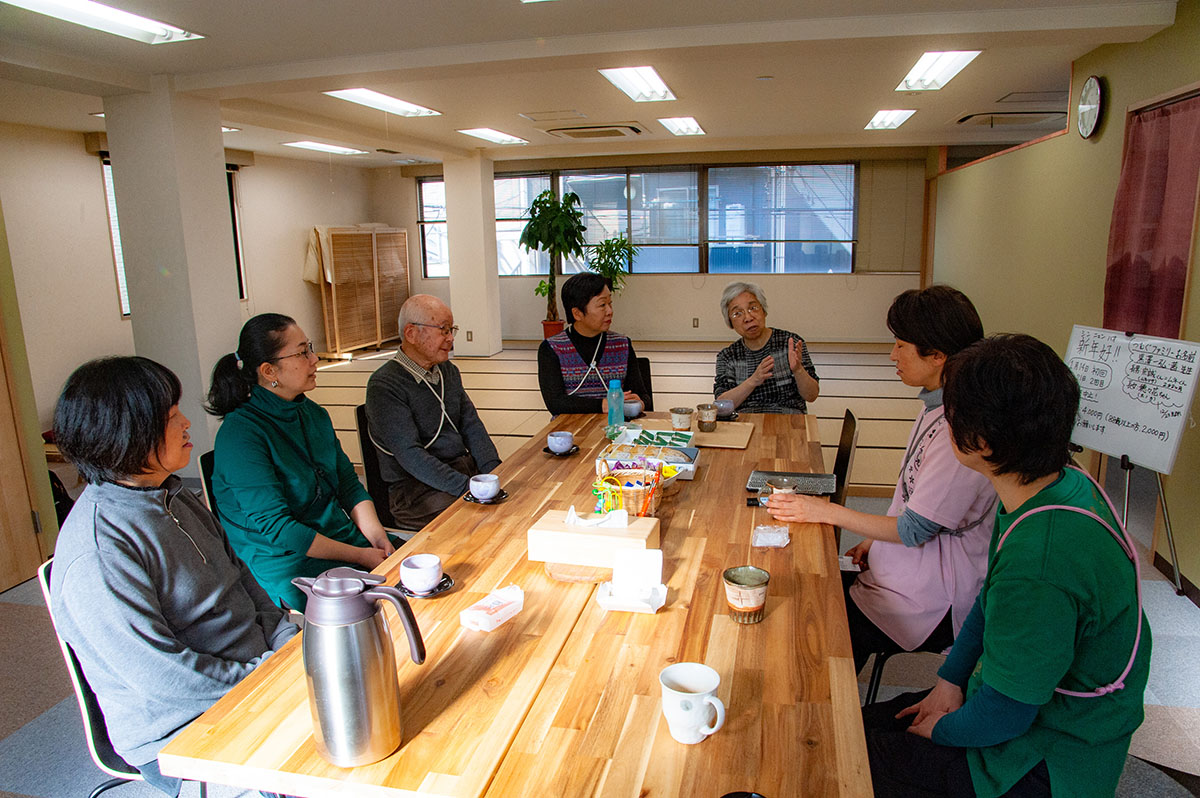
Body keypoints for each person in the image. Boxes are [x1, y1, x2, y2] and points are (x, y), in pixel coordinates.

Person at [862, 334, 1151, 798]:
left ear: (979, 441)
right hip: (1008, 700)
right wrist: (950, 680)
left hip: (1044, 755)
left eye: (949, 411)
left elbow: (1005, 713)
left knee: (854, 760)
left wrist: (938, 731)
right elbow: (987, 603)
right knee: (861, 724)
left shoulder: (1042, 560)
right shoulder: (1054, 483)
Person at [49, 356, 299, 797]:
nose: (186, 423)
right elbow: (167, 679)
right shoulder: (99, 553)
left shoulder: (168, 492)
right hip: (186, 724)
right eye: (170, 417)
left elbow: (242, 579)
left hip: (256, 675)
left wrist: (285, 643)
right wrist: (269, 677)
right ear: (126, 436)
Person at [767, 286, 995, 673]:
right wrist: (874, 539)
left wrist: (823, 510)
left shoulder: (963, 429)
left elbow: (915, 528)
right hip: (908, 566)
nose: (892, 355)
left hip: (930, 596)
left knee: (807, 630)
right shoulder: (937, 402)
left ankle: (829, 717)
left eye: (901, 345)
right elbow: (917, 503)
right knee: (796, 587)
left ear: (937, 356)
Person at [206, 313, 395, 610]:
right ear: (270, 371)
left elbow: (348, 484)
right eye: (302, 352)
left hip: (341, 539)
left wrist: (377, 538)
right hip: (290, 563)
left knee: (426, 562)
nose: (315, 358)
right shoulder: (240, 436)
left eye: (310, 348)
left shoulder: (313, 414)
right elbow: (281, 530)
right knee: (388, 601)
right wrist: (361, 556)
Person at [365, 294, 501, 529]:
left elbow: (472, 425)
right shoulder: (385, 385)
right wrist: (466, 488)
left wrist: (495, 470)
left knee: (520, 493)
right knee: (492, 519)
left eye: (452, 330)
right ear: (411, 334)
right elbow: (411, 455)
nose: (450, 339)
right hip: (417, 491)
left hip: (461, 472)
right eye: (443, 330)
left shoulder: (448, 372)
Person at [538, 272, 648, 415]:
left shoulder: (622, 345)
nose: (610, 311)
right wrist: (602, 405)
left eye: (610, 303)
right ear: (577, 314)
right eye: (602, 305)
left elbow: (644, 397)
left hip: (618, 430)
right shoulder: (552, 349)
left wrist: (640, 403)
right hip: (571, 432)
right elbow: (555, 403)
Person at [714, 281, 820, 413]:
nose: (748, 318)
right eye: (737, 313)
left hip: (789, 421)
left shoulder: (790, 343)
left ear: (764, 311)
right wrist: (753, 380)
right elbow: (721, 407)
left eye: (753, 308)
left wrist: (798, 370)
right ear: (730, 323)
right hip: (745, 424)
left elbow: (812, 395)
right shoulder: (728, 356)